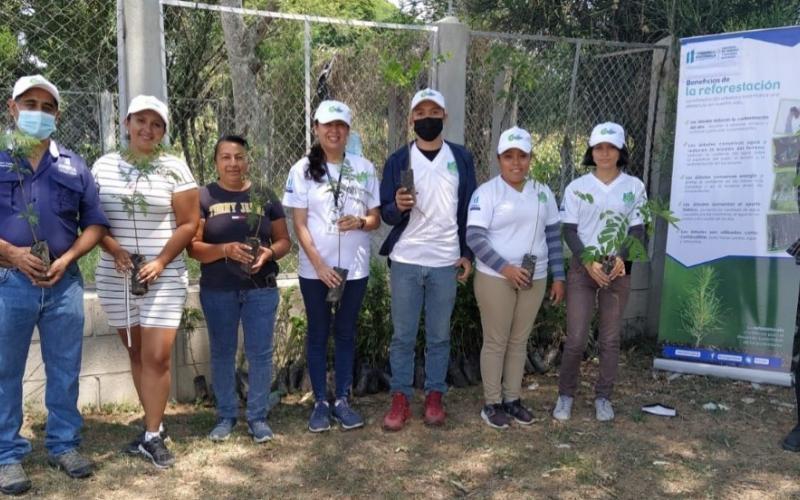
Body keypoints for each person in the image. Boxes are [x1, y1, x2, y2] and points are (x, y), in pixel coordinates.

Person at [0, 75, 108, 495]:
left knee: (65, 368)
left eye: (47, 107)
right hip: (10, 282)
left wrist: (66, 259)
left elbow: (95, 223)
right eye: (30, 104)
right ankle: (7, 455)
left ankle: (63, 444)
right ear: (12, 108)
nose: (38, 113)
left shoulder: (74, 165)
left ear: (57, 115)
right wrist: (10, 253)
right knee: (5, 371)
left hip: (64, 284)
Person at [92, 95, 199, 468]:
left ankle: (152, 435)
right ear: (127, 123)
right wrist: (115, 250)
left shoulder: (174, 168)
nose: (147, 129)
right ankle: (153, 424)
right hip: (116, 275)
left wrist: (161, 261)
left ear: (164, 131)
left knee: (156, 356)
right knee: (136, 352)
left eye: (156, 124)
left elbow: (189, 223)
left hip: (163, 275)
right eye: (140, 121)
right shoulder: (104, 166)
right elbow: (91, 219)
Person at [380, 88, 477, 431]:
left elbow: (469, 209)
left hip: (445, 261)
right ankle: (401, 397)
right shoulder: (398, 161)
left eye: (434, 112)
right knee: (403, 336)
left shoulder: (461, 158)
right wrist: (397, 205)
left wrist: (467, 253)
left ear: (445, 117)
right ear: (411, 120)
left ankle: (435, 395)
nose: (427, 119)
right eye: (420, 113)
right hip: (406, 259)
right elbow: (387, 214)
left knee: (438, 335)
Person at [282, 100, 381, 433]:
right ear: (316, 128)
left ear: (348, 131)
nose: (334, 130)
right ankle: (320, 402)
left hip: (355, 269)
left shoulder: (364, 168)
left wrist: (362, 221)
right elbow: (300, 225)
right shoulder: (301, 169)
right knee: (319, 333)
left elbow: (376, 217)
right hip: (316, 270)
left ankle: (342, 399)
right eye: (327, 125)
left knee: (346, 333)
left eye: (340, 125)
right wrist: (320, 265)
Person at [188, 135, 291, 443]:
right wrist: (225, 250)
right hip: (219, 289)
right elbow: (193, 247)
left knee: (260, 354)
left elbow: (285, 241)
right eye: (226, 157)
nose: (233, 163)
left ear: (247, 160)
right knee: (222, 352)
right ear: (216, 161)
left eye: (239, 156)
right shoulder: (204, 197)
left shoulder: (264, 195)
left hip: (261, 289)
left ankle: (257, 417)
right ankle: (226, 416)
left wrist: (269, 253)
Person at [466, 127, 565, 429]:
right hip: (496, 278)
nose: (516, 163)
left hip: (534, 278)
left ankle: (513, 399)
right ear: (499, 159)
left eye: (522, 156)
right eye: (509, 156)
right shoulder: (487, 192)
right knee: (496, 341)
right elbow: (474, 238)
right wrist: (505, 268)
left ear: (531, 158)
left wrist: (558, 277)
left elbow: (553, 237)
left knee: (519, 340)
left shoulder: (543, 192)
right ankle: (492, 402)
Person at [553, 122, 646, 422]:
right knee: (577, 337)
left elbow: (639, 229)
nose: (604, 153)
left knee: (609, 339)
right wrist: (588, 260)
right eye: (598, 147)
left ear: (621, 151)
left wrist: (622, 258)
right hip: (584, 268)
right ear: (591, 151)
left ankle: (603, 397)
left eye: (611, 147)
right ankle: (565, 395)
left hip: (617, 269)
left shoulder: (634, 187)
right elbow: (569, 231)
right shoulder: (577, 187)